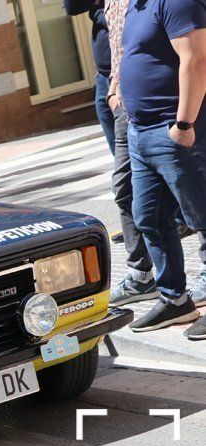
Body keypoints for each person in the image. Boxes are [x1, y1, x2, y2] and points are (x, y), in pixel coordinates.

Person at [119, 0, 206, 335]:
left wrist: (184, 124)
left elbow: (196, 60)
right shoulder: (135, 6)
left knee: (201, 216)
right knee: (150, 218)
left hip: (176, 130)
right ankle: (175, 301)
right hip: (141, 132)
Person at [102, 0, 159, 308]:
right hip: (124, 106)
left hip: (162, 106)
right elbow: (119, 48)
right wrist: (112, 89)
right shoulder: (113, 3)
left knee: (185, 191)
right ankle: (141, 276)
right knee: (125, 191)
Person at [63, 1, 114, 155]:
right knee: (120, 148)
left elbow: (115, 19)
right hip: (104, 75)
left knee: (128, 147)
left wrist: (97, 10)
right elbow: (72, 7)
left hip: (122, 72)